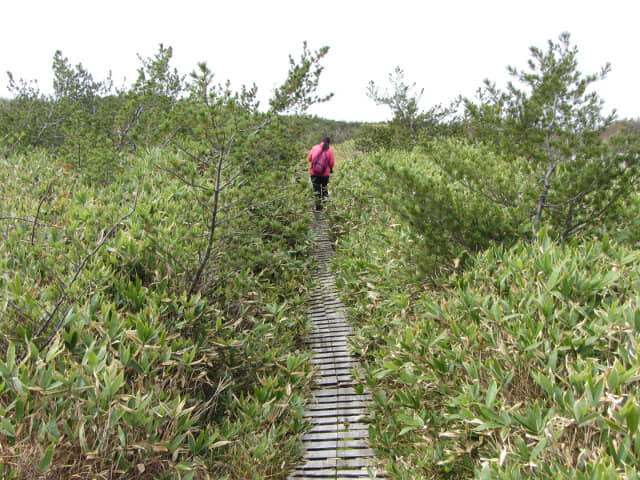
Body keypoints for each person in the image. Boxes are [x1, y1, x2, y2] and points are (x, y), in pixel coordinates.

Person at [308, 136, 335, 211]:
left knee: (316, 190)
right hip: (325, 174)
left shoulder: (314, 148)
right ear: (329, 143)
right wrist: (330, 169)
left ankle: (318, 208)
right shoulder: (330, 150)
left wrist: (315, 165)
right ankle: (325, 206)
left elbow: (309, 158)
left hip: (314, 173)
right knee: (324, 189)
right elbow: (331, 163)